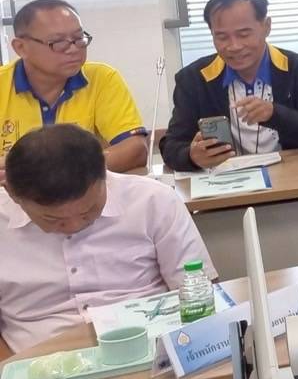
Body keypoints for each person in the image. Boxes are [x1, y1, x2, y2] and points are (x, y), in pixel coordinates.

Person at [0, 124, 213, 357]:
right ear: (12, 194)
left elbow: (200, 293)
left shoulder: (153, 200)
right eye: (53, 219)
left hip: (152, 350)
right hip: (35, 363)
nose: (74, 226)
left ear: (103, 172)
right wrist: (10, 370)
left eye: (88, 211)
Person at [162, 0, 298, 171]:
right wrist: (191, 156)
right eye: (222, 37)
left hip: (292, 175)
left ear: (266, 27)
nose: (234, 46)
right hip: (225, 182)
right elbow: (171, 146)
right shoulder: (193, 79)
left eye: (243, 34)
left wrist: (274, 114)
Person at [0, 0, 147, 177]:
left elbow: (135, 150)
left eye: (79, 38)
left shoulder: (101, 78)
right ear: (20, 47)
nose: (73, 49)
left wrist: (50, 172)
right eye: (58, 42)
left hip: (84, 192)